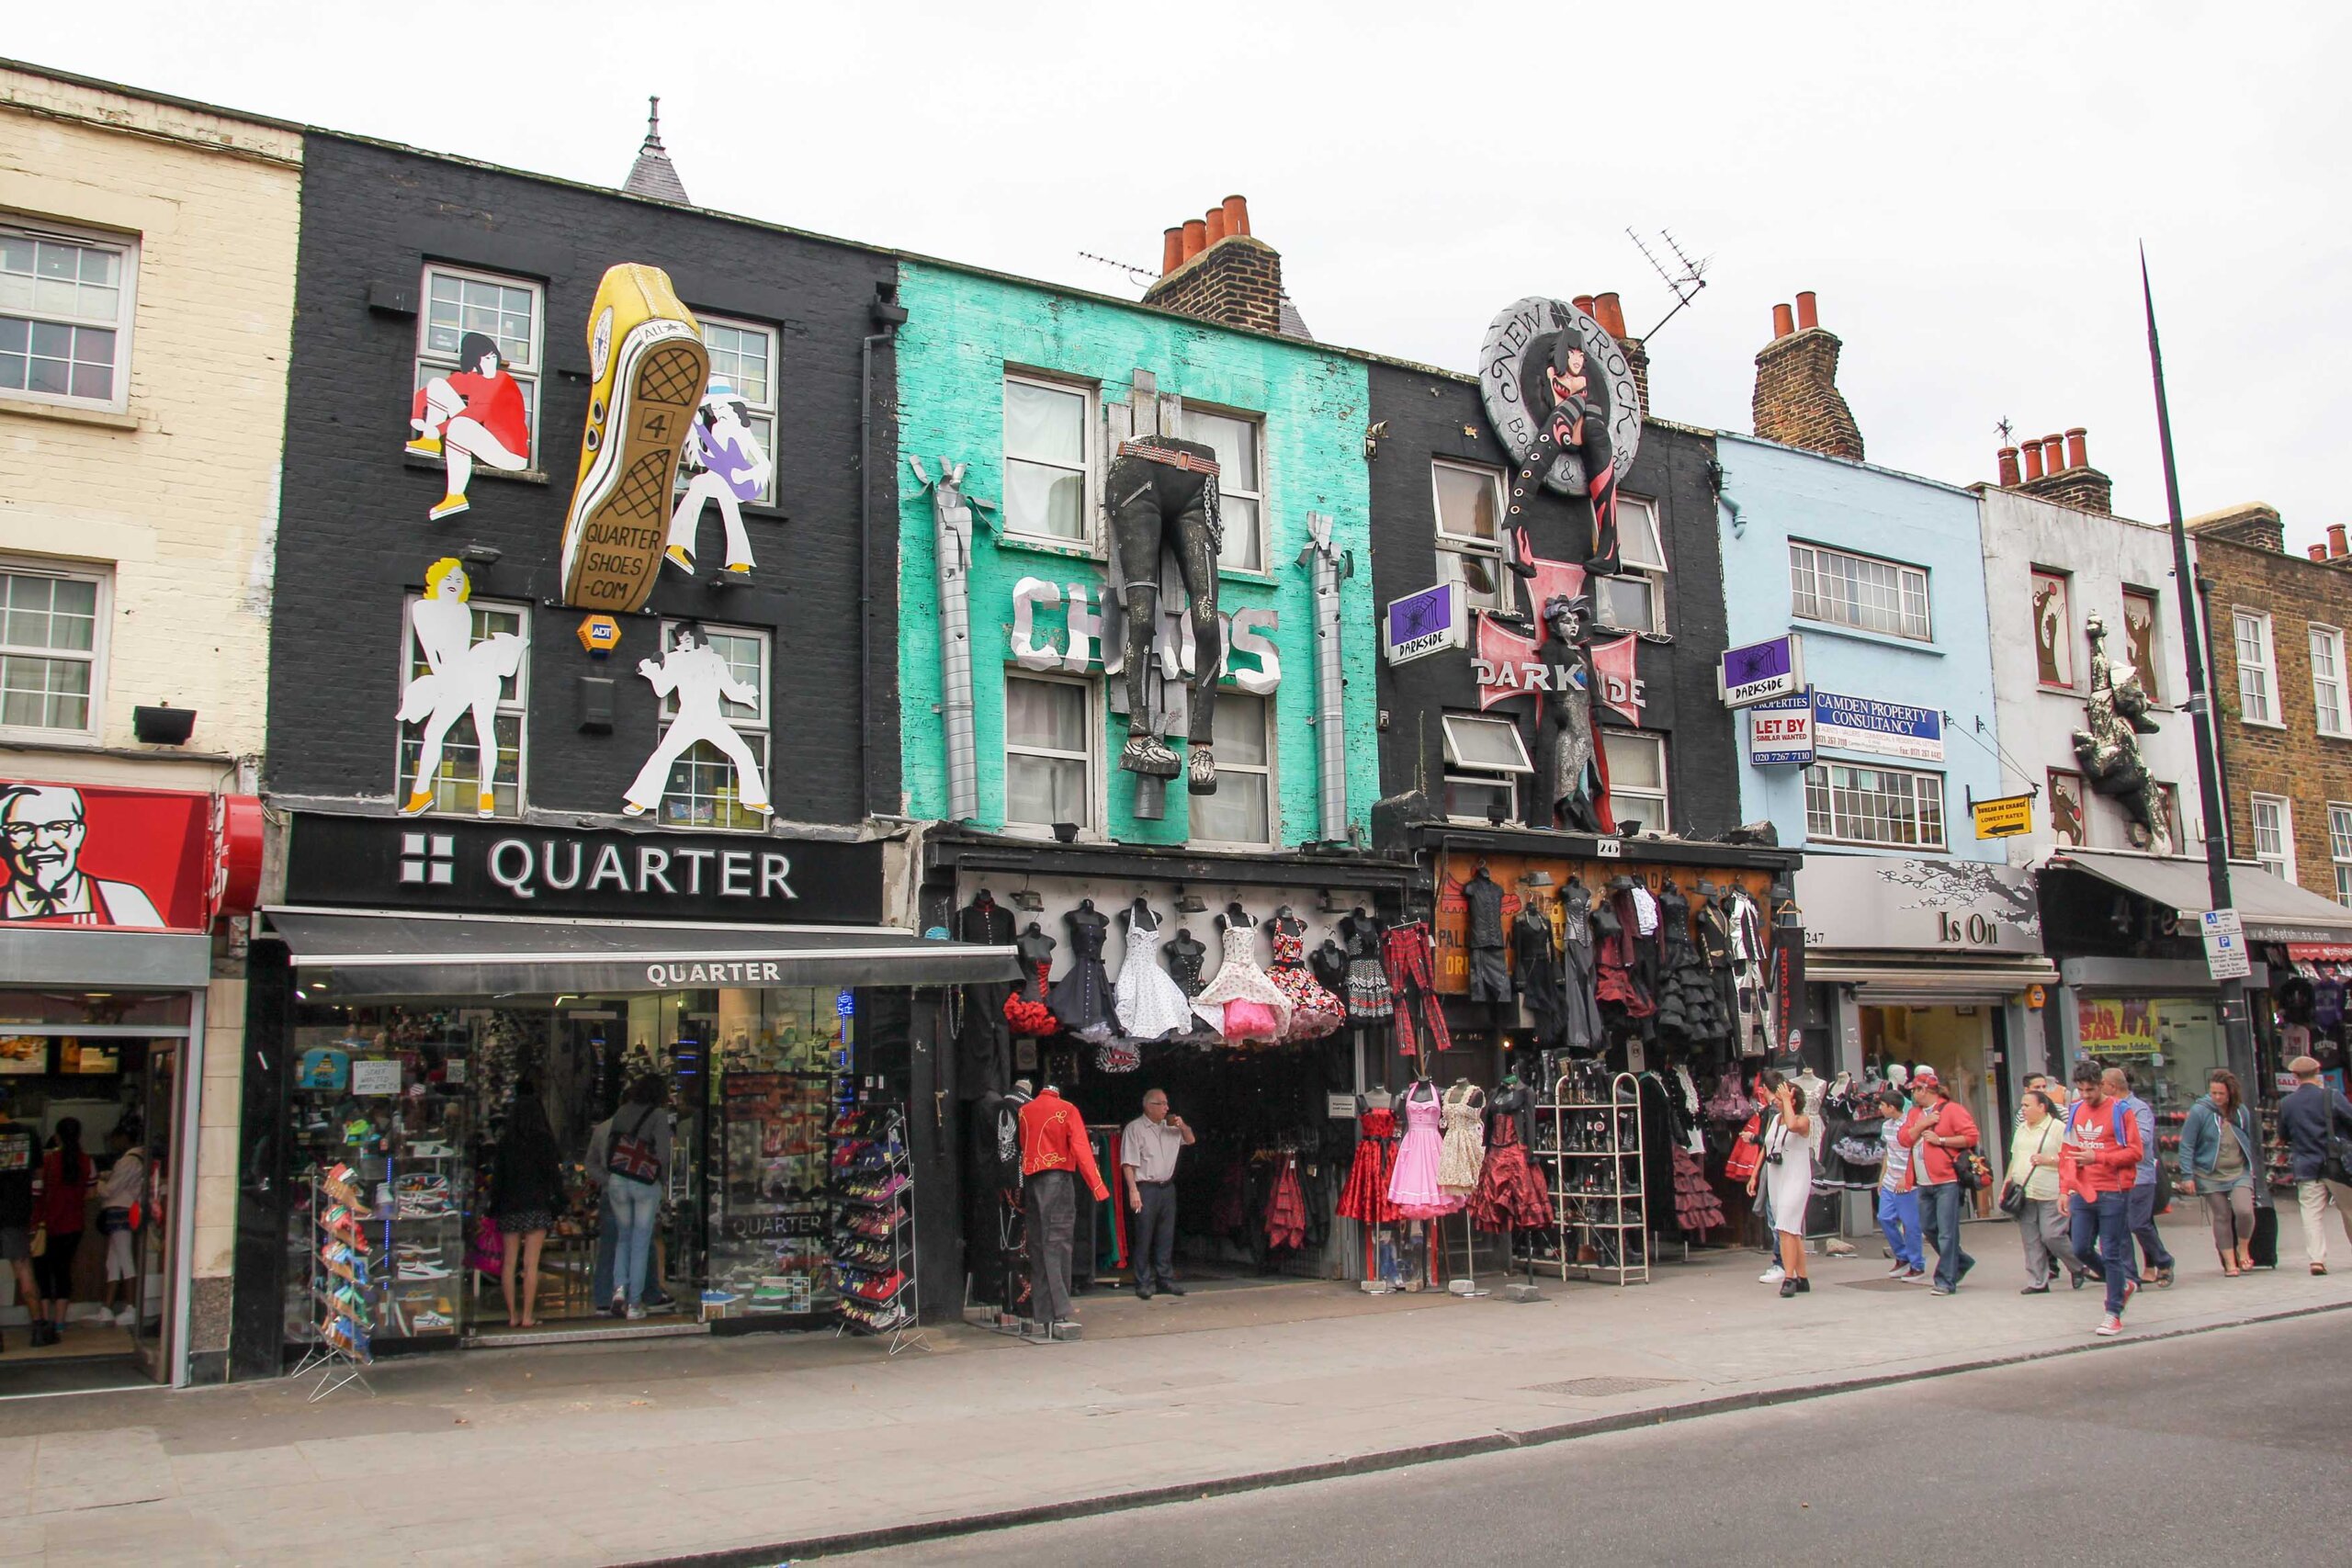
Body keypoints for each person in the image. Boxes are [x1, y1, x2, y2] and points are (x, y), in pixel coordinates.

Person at [406, 330, 531, 521]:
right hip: (487, 439)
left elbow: (479, 412)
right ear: (474, 362)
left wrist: (438, 430)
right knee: (438, 384)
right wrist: (417, 416)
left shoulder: (503, 381)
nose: (490, 363)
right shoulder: (474, 379)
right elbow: (429, 390)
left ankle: (455, 496)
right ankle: (430, 443)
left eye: (492, 357)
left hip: (510, 453)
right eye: (485, 359)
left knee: (459, 426)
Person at [0, 784, 164, 926]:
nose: (42, 843)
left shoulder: (123, 899)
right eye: (21, 829)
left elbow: (158, 951)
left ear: (79, 833)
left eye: (58, 827)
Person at [2061, 1060, 2143, 1337]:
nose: (2086, 1095)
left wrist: (2098, 1157)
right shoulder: (2075, 1110)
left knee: (2111, 1251)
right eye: (2081, 1090)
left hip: (2114, 1189)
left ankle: (2113, 1312)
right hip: (2084, 1189)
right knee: (2080, 1248)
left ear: (2101, 1085)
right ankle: (2121, 1285)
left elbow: (2136, 1152)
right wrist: (2065, 1189)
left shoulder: (2121, 1110)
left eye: (2091, 1090)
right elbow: (2068, 1152)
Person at [489, 1081, 564, 1330]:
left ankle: (512, 1315)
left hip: (510, 1206)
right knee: (531, 1264)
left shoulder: (506, 1142)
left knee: (509, 1263)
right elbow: (553, 1176)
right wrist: (560, 1202)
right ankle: (528, 1315)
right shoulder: (544, 1141)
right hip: (536, 1205)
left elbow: (498, 1179)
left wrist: (493, 1207)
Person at [1899, 1066, 1978, 1295]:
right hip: (1924, 1182)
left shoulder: (1952, 1110)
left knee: (1946, 1232)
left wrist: (1941, 1140)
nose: (1913, 1094)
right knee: (1929, 1227)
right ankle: (1960, 1262)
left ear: (1924, 1090)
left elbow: (1971, 1137)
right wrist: (1923, 1125)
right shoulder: (1915, 1114)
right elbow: (1904, 1139)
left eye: (1915, 1090)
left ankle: (1945, 1280)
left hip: (1947, 1180)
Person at [2177, 1069, 2261, 1277]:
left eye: (2221, 1093)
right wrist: (2187, 1176)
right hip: (2209, 1173)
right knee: (2222, 1215)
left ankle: (2243, 1249)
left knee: (2244, 1211)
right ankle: (2230, 1262)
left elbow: (2250, 1138)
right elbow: (2187, 1144)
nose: (2216, 1097)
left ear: (2230, 1093)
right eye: (2213, 1092)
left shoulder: (2240, 1111)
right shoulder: (2199, 1111)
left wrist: (2253, 1166)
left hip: (2238, 1169)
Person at [2277, 1055, 2352, 1275]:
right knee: (2349, 1210)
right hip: (2336, 1164)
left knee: (2311, 1215)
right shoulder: (2332, 1096)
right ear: (2317, 1072)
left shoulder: (2286, 1104)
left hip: (2306, 1165)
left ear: (2295, 1076)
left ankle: (2317, 1260)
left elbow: (2283, 1134)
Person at [604, 1075, 672, 1320]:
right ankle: (634, 1303)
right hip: (644, 1180)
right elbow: (664, 1153)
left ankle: (619, 1291)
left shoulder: (622, 1111)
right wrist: (663, 1181)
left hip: (618, 1178)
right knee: (641, 1241)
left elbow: (610, 1145)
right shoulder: (658, 1115)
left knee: (623, 1238)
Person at [1118, 1089, 1195, 1301]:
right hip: (1146, 1187)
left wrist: (1182, 1126)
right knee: (1143, 1235)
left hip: (1167, 1187)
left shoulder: (1171, 1127)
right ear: (1148, 1106)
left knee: (1166, 1236)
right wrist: (1133, 1190)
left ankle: (1165, 1279)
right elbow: (1128, 1163)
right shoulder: (1135, 1128)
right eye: (1161, 1104)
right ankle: (1143, 1282)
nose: (1166, 1108)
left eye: (1166, 1103)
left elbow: (1190, 1140)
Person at [2105, 1066, 2176, 1288]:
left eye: (2102, 1085)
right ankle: (2129, 1276)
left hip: (2140, 1175)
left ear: (2112, 1086)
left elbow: (2143, 1138)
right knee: (2121, 1227)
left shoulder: (2138, 1108)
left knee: (2138, 1223)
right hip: (2115, 1175)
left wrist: (2113, 1138)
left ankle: (2163, 1260)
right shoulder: (2106, 1108)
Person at [1746, 1077, 1815, 1298]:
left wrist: (1786, 1100)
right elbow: (1767, 1147)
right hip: (1777, 1177)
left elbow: (1793, 1125)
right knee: (1790, 1230)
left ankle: (1789, 1277)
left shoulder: (1803, 1121)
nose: (1776, 1100)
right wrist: (1754, 1175)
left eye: (1781, 1097)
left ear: (1792, 1100)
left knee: (1785, 1227)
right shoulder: (1775, 1120)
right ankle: (1802, 1277)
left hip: (1796, 1177)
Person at [2008, 1089, 2082, 1292]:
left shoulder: (2058, 1128)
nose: (2023, 1110)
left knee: (2052, 1235)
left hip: (2051, 1191)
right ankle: (2037, 1281)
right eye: (2022, 1105)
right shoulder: (2021, 1129)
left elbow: (2072, 1157)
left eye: (2027, 1105)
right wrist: (2008, 1182)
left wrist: (2048, 1160)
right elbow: (2015, 1157)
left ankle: (2078, 1266)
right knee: (2031, 1239)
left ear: (2042, 1107)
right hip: (2025, 1191)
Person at [33, 1118, 94, 1342]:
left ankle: (44, 1321)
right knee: (63, 1272)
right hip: (73, 1226)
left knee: (42, 1272)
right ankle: (59, 1324)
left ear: (56, 1136)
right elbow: (91, 1192)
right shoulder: (87, 1161)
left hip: (46, 1225)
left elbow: (37, 1191)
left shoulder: (48, 1160)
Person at [1873, 1084, 1926, 1282]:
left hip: (1907, 1182)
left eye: (1882, 1105)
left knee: (1911, 1225)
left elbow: (1914, 1152)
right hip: (1890, 1180)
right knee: (1885, 1218)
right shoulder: (1886, 1126)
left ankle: (1917, 1264)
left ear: (1892, 1107)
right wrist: (1882, 1177)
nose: (1880, 1109)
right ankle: (1902, 1257)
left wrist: (1907, 1176)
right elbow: (1888, 1152)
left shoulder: (1910, 1125)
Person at [0, 1097, 40, 1351]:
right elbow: (38, 1174)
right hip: (16, 1211)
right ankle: (38, 1330)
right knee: (24, 1269)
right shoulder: (28, 1133)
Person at [96, 1126, 145, 1327]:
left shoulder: (128, 1161)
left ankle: (131, 1307)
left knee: (123, 1259)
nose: (113, 1143)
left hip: (119, 1210)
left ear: (124, 1137)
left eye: (114, 1139)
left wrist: (98, 1183)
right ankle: (107, 1308)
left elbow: (110, 1190)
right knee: (114, 1261)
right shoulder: (140, 1158)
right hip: (127, 1210)